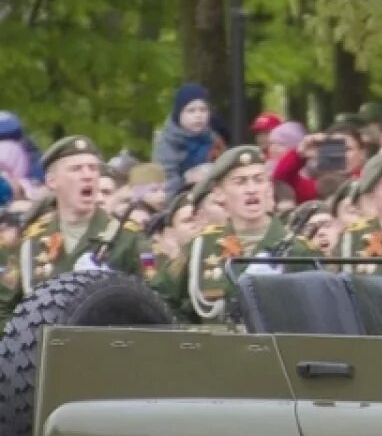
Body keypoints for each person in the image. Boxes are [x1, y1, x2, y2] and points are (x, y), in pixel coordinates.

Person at [2, 137, 143, 320]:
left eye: (93, 168)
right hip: (44, 344)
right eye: (76, 169)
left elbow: (153, 305)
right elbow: (5, 308)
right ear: (52, 181)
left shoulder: (126, 237)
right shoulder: (31, 241)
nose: (88, 175)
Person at [168, 146, 315, 323]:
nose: (251, 189)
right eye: (240, 182)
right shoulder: (202, 247)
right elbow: (165, 299)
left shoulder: (298, 249)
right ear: (219, 193)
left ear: (269, 188)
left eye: (258, 180)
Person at [153, 83, 220, 196]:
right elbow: (163, 187)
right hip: (177, 203)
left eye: (203, 110)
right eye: (191, 111)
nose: (198, 115)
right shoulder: (167, 143)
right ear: (179, 114)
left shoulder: (214, 140)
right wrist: (186, 180)